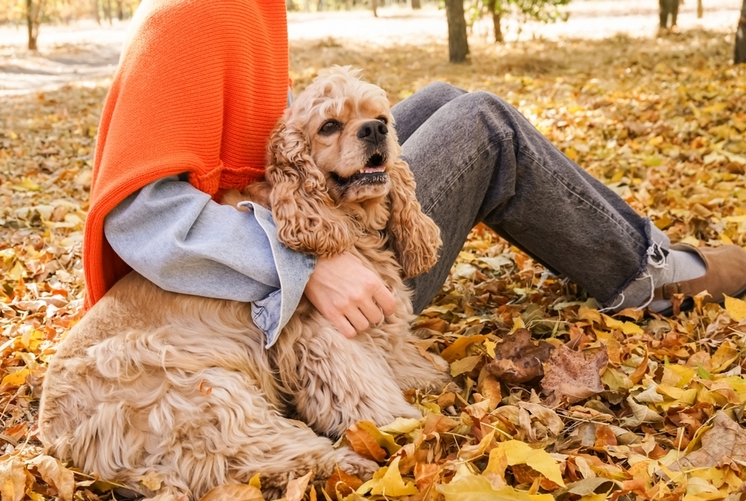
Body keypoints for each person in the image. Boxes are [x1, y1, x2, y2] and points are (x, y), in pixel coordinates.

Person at [85, 0, 746, 349]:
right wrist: (308, 265)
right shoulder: (190, 15)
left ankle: (642, 248)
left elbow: (262, 144)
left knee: (438, 100)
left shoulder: (249, 7)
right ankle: (656, 274)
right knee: (485, 126)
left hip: (300, 239)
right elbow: (141, 219)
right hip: (273, 307)